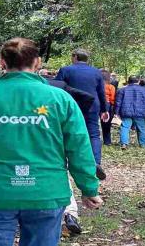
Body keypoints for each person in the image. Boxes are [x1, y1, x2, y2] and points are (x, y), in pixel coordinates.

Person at [0, 38, 102, 246]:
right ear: (37, 62)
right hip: (45, 192)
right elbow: (79, 147)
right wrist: (89, 188)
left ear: (2, 63)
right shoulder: (60, 99)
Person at [42, 67, 96, 235]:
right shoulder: (61, 87)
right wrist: (80, 113)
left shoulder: (23, 91)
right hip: (58, 137)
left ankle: (67, 214)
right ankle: (70, 213)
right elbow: (87, 97)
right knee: (62, 172)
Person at [55, 48, 109, 180]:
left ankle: (67, 162)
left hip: (71, 105)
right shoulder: (96, 72)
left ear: (75, 57)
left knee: (65, 132)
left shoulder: (66, 70)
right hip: (92, 105)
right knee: (94, 134)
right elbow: (101, 92)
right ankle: (96, 162)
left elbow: (57, 87)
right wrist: (104, 109)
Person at [114, 76, 145, 149]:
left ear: (128, 81)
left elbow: (118, 103)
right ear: (138, 81)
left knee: (125, 127)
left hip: (126, 112)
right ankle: (143, 144)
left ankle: (124, 144)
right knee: (141, 128)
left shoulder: (121, 90)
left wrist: (116, 113)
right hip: (141, 112)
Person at [100, 69, 117, 146]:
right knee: (106, 123)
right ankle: (107, 141)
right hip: (107, 104)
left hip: (97, 103)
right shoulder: (111, 87)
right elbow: (113, 98)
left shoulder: (97, 85)